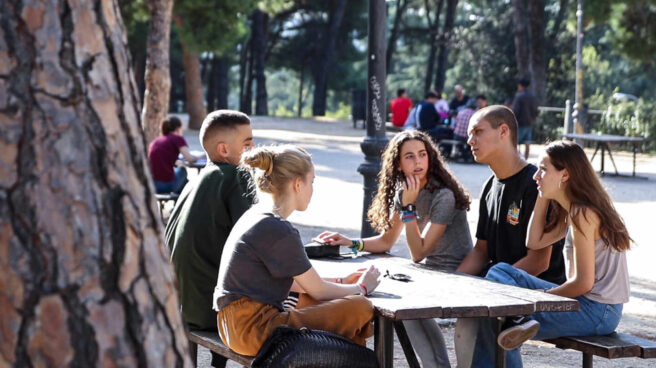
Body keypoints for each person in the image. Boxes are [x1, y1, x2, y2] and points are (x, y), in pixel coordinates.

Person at [315, 130, 473, 367]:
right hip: (432, 272)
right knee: (386, 290)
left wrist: (409, 207)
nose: (418, 161)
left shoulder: (444, 195)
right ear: (398, 164)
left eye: (422, 154)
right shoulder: (405, 192)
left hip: (457, 273)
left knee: (403, 301)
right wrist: (350, 242)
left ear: (431, 157)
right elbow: (386, 242)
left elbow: (418, 253)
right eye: (409, 156)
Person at [470, 140, 631, 367]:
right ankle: (518, 318)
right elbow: (533, 241)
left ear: (564, 175)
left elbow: (584, 283)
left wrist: (542, 297)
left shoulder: (583, 214)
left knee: (496, 316)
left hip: (598, 312)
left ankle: (517, 317)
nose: (536, 175)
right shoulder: (572, 211)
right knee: (499, 272)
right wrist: (543, 196)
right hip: (587, 305)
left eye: (543, 169)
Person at [213, 145, 381, 356]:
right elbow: (318, 289)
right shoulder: (277, 228)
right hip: (254, 330)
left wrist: (342, 281)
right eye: (312, 182)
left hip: (233, 326)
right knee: (359, 307)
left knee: (333, 303)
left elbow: (298, 282)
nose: (313, 189)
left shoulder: (256, 215)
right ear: (298, 184)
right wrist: (363, 287)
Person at [454, 105, 565, 367]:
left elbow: (540, 262)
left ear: (503, 131)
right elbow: (480, 252)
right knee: (477, 313)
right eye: (470, 134)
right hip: (501, 290)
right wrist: (452, 284)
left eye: (478, 132)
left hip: (542, 292)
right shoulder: (489, 186)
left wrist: (493, 290)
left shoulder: (536, 183)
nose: (470, 140)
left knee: (489, 313)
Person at [165, 110, 255, 367]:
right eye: (247, 143)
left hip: (179, 305)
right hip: (208, 311)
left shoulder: (195, 181)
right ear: (225, 150)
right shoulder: (238, 177)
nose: (254, 148)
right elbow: (255, 240)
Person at [148, 116, 200, 194]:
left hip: (152, 185)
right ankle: (184, 201)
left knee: (182, 180)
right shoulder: (177, 139)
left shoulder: (156, 141)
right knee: (182, 170)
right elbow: (189, 158)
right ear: (178, 128)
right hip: (167, 185)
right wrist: (200, 157)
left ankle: (180, 199)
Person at [512, 78, 539, 160]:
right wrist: (533, 119)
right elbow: (536, 110)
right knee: (527, 142)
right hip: (529, 123)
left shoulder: (519, 96)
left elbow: (515, 110)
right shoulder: (533, 96)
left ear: (520, 86)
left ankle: (515, 159)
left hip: (520, 123)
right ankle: (526, 159)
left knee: (514, 142)